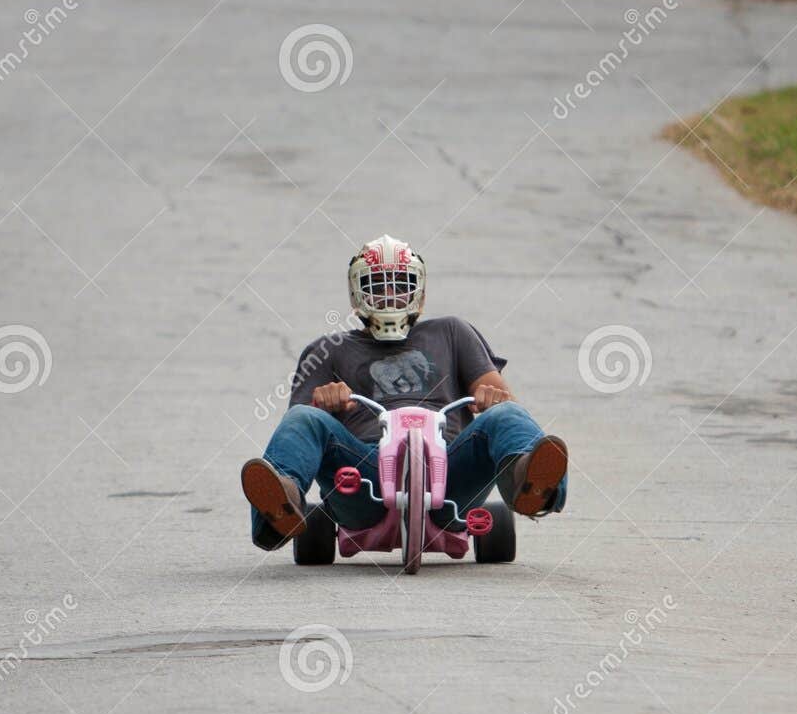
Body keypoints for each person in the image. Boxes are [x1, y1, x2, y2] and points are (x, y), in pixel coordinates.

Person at [241, 234, 568, 549]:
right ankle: (279, 507)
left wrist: (491, 397)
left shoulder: (452, 332)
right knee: (303, 417)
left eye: (400, 286)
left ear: (419, 293)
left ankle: (534, 485)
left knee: (507, 414)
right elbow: (297, 427)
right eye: (377, 287)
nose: (388, 295)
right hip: (362, 475)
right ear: (357, 295)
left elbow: (498, 394)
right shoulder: (328, 350)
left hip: (450, 469)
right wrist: (324, 402)